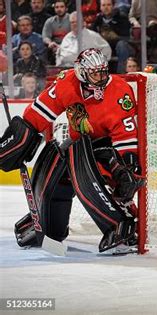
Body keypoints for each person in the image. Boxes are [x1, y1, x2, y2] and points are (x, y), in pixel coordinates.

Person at [0, 48, 143, 253]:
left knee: (76, 151)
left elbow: (125, 138)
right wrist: (19, 140)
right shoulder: (67, 83)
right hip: (80, 147)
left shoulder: (120, 92)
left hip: (108, 155)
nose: (101, 78)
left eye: (103, 72)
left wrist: (127, 168)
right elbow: (38, 114)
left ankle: (119, 226)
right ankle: (47, 225)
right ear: (82, 73)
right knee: (56, 153)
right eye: (95, 73)